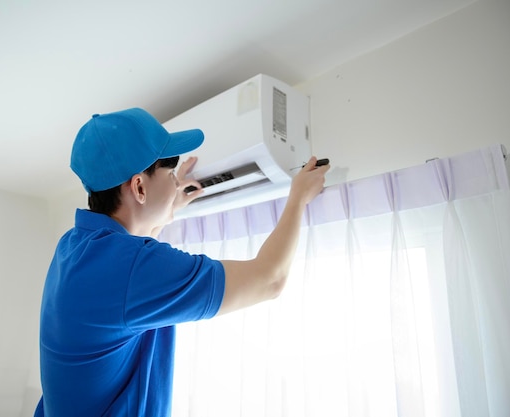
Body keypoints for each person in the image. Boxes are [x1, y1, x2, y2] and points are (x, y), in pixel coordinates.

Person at [35, 108, 330, 416]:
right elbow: (270, 280)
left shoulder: (74, 246)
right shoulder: (132, 268)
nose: (176, 183)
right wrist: (297, 198)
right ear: (139, 187)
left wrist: (164, 204)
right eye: (171, 174)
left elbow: (127, 268)